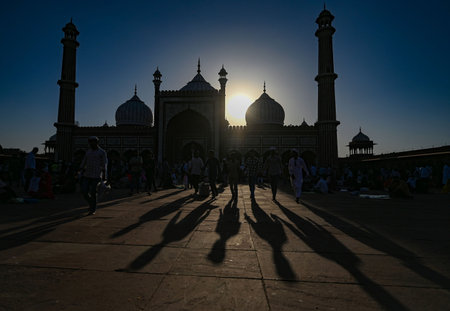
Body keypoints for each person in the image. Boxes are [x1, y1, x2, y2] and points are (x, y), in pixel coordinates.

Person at [79, 136, 107, 215]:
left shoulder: (102, 152)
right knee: (84, 191)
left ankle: (93, 209)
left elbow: (104, 164)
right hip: (87, 174)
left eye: (93, 142)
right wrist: (80, 169)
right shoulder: (88, 152)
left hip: (97, 175)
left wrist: (105, 175)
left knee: (93, 192)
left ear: (97, 142)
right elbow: (84, 161)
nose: (91, 143)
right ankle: (92, 204)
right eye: (90, 142)